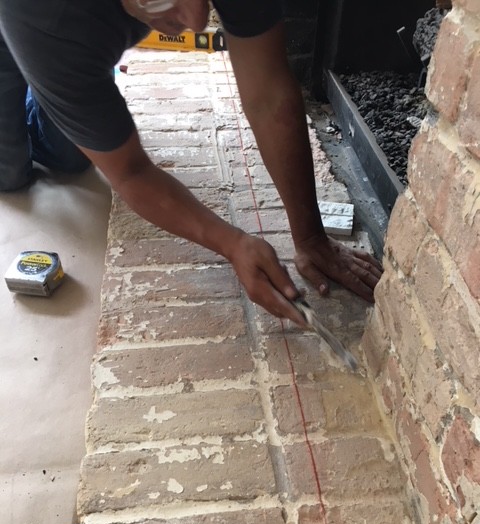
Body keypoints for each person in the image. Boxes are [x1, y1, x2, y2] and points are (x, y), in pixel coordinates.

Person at [0, 0, 382, 324]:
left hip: (61, 42)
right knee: (11, 174)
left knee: (69, 156)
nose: (197, 21)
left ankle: (54, 88)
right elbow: (130, 172)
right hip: (32, 27)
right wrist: (232, 243)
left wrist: (310, 236)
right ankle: (39, 75)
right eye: (164, 0)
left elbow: (268, 95)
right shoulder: (46, 17)